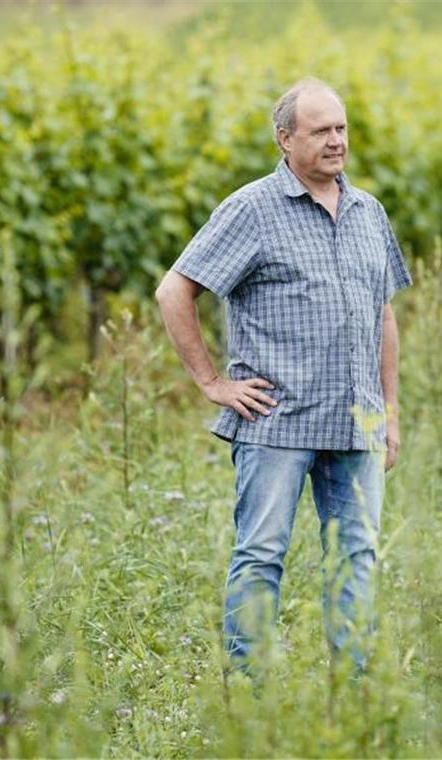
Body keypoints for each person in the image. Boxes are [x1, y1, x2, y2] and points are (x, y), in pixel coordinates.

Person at [154, 78, 413, 683]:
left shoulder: (368, 211)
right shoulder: (251, 209)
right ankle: (252, 691)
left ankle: (352, 690)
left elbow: (384, 313)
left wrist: (390, 411)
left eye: (341, 128)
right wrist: (213, 383)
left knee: (357, 558)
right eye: (321, 130)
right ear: (285, 138)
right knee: (262, 555)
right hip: (277, 422)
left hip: (357, 420)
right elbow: (175, 291)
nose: (335, 141)